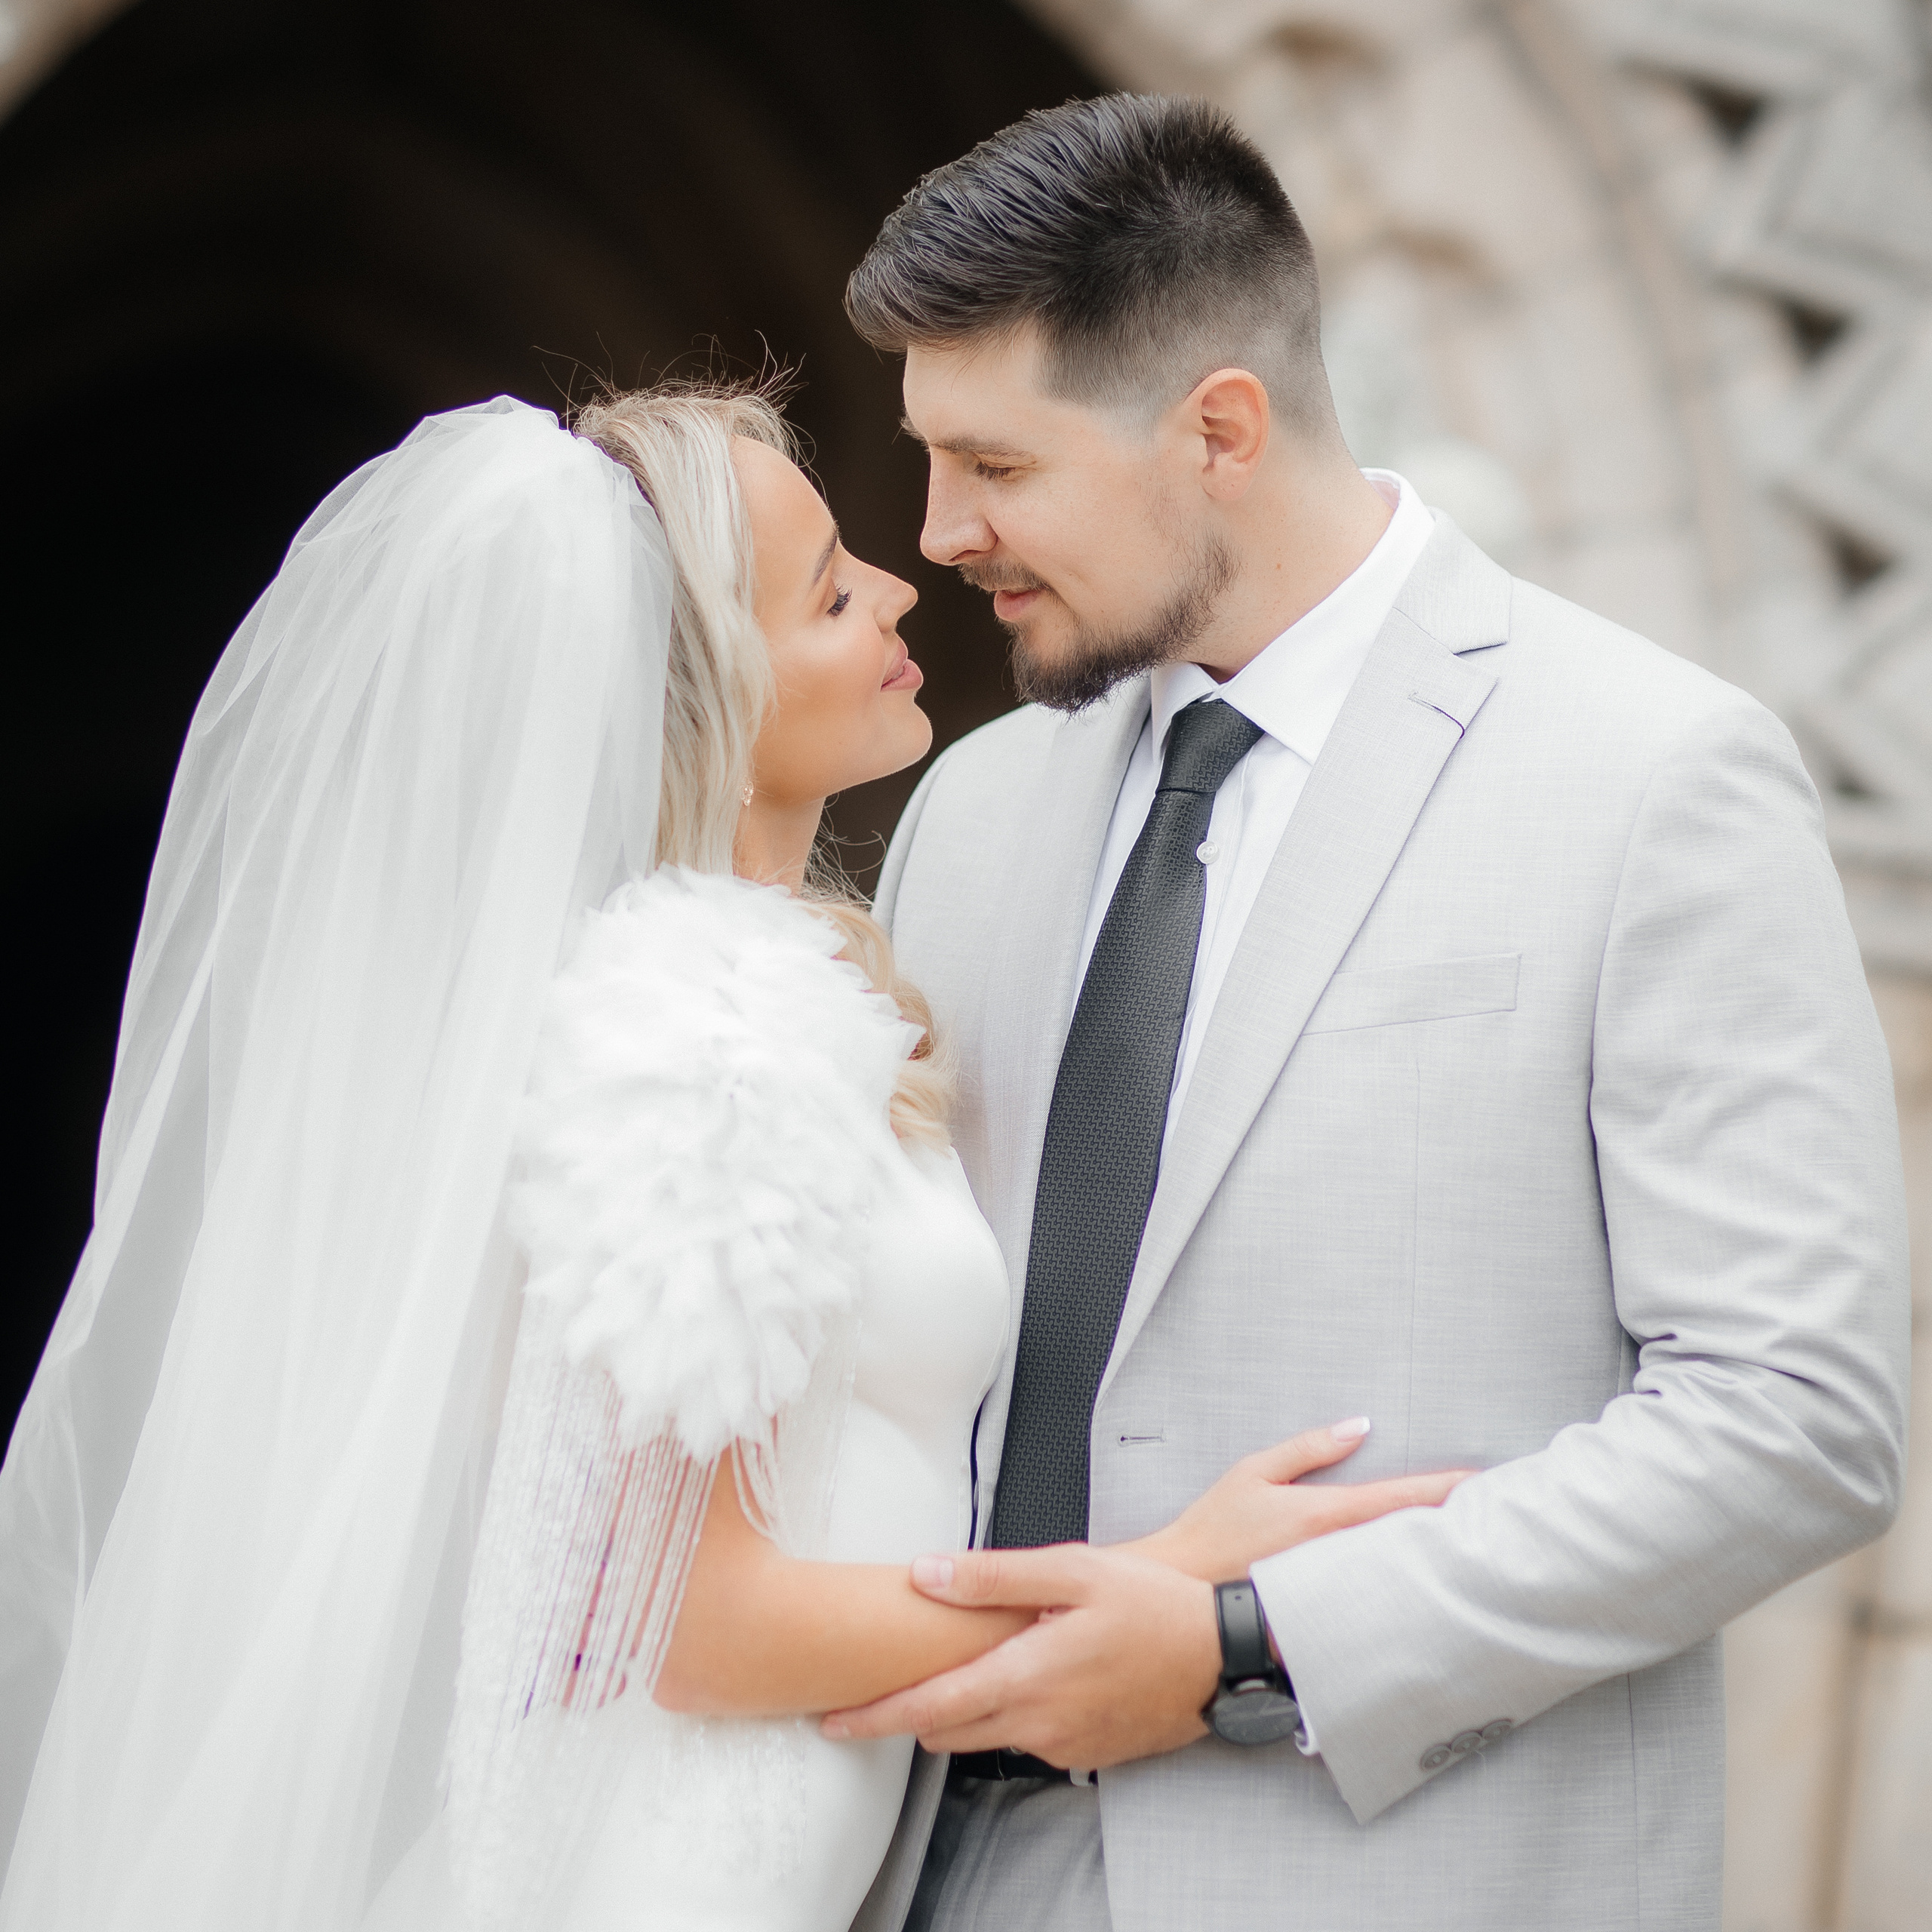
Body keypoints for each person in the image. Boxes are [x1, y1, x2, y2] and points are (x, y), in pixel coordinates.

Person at [0, 385, 1456, 1932]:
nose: (901, 589)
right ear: (698, 688)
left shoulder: (755, 988)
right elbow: (687, 1619)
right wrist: (1161, 1575)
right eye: (832, 591)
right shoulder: (687, 1025)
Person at [828, 94, 1912, 1932]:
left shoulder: (1655, 774)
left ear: (1217, 432)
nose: (937, 533)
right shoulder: (974, 806)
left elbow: (1792, 1412)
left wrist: (1244, 1642)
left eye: (995, 467)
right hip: (926, 1871)